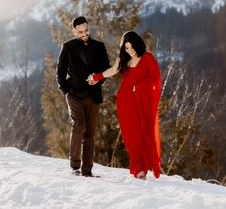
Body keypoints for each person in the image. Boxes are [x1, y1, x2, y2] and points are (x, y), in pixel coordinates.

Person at [87, 31, 161, 180]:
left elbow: (156, 79)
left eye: (132, 47)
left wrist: (140, 86)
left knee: (143, 135)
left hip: (142, 104)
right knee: (131, 137)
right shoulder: (123, 59)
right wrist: (96, 77)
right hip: (125, 103)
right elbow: (112, 71)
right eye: (126, 48)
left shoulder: (147, 58)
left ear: (138, 44)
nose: (130, 50)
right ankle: (138, 169)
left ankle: (143, 166)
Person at [56, 16, 110, 177]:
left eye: (86, 30)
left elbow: (106, 69)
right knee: (78, 125)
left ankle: (87, 171)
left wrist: (98, 80)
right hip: (74, 94)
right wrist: (65, 90)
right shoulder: (67, 47)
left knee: (90, 133)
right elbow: (60, 71)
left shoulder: (99, 47)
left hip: (93, 95)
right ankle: (75, 166)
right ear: (74, 31)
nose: (84, 34)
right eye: (80, 32)